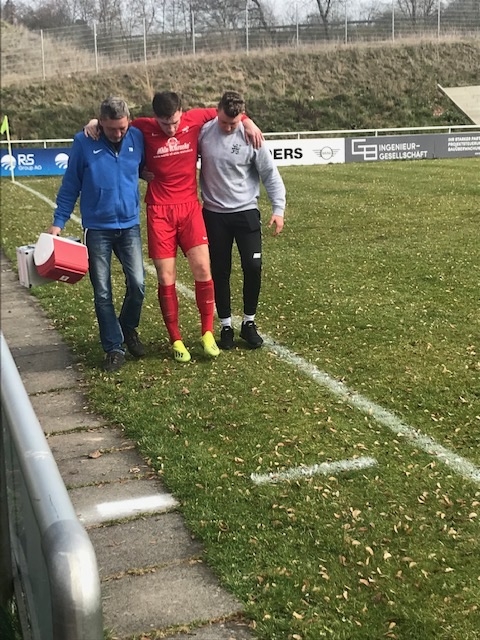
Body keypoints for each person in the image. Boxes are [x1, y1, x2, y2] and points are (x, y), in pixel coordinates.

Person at [85, 92, 263, 363]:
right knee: (166, 276)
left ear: (182, 112)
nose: (170, 129)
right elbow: (116, 125)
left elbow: (227, 111)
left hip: (190, 208)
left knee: (204, 269)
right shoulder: (142, 126)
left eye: (175, 123)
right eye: (164, 124)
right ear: (154, 117)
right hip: (160, 211)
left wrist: (248, 121)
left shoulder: (195, 118)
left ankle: (207, 333)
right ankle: (176, 339)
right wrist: (94, 122)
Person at [48, 96, 146, 372]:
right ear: (101, 122)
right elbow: (70, 185)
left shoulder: (137, 137)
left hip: (129, 225)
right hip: (98, 229)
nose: (118, 133)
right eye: (112, 128)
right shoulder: (84, 142)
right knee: (102, 292)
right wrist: (58, 222)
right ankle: (114, 347)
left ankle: (127, 328)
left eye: (122, 128)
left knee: (138, 284)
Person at [198, 90, 286, 350]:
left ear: (242, 117)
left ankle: (249, 323)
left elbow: (270, 174)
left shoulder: (251, 136)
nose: (229, 127)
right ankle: (225, 325)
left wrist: (278, 209)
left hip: (246, 212)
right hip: (215, 215)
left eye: (234, 123)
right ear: (217, 112)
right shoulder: (204, 134)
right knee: (220, 270)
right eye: (225, 122)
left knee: (253, 266)